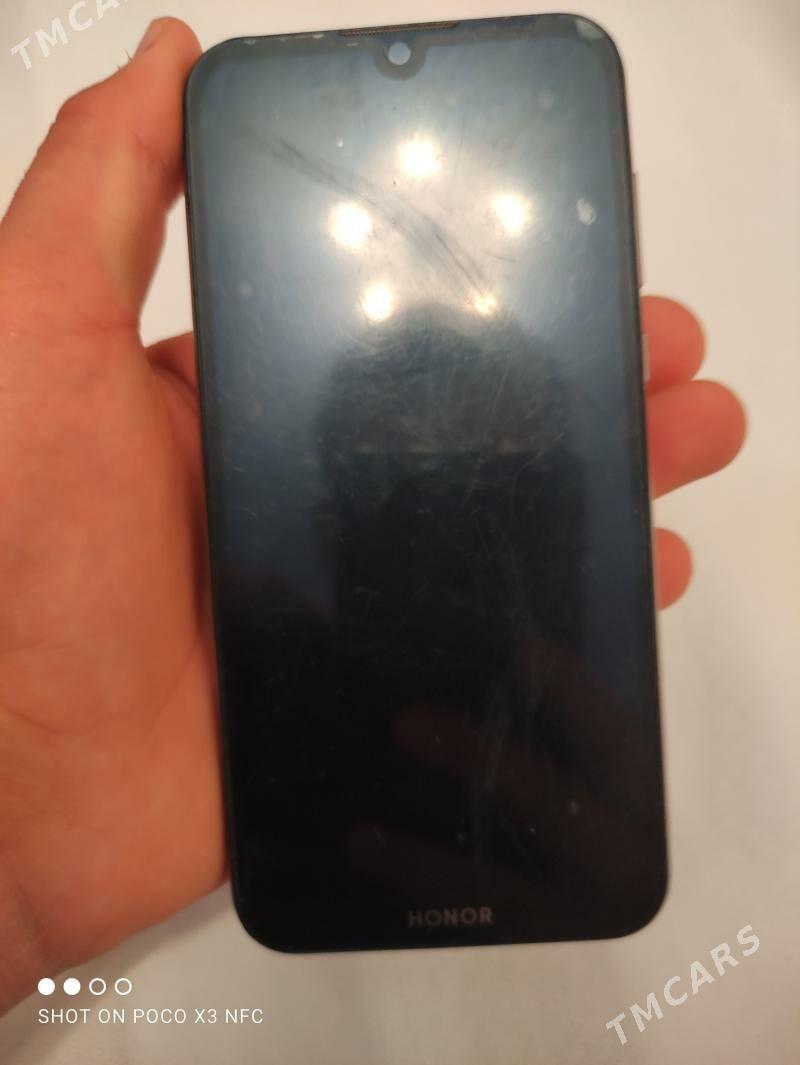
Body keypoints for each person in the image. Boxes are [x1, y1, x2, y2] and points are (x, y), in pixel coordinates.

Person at [0, 17, 746, 1014]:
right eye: (388, 488)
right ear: (327, 525)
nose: (444, 549)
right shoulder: (276, 690)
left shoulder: (534, 710)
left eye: (499, 476)